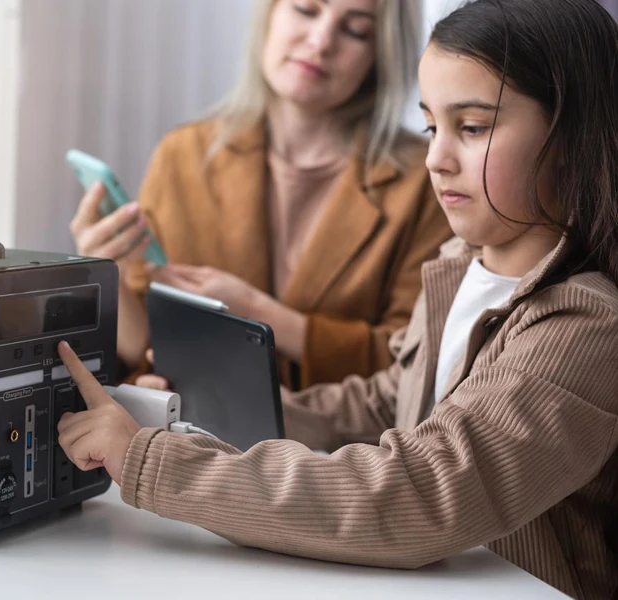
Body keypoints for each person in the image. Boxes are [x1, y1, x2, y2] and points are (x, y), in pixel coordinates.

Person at [54, 1, 618, 597]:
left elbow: (419, 493)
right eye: (432, 127)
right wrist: (202, 406)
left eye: (472, 127)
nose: (436, 157)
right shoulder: (459, 269)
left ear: (572, 134)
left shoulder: (584, 325)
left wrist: (152, 462)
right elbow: (387, 406)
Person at [70, 0, 452, 389]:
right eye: (306, 9)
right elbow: (148, 348)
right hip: (200, 436)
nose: (320, 42)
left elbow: (415, 359)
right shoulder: (183, 156)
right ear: (269, 14)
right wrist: (106, 278)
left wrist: (258, 313)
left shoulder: (427, 180)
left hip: (344, 446)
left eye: (355, 30)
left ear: (381, 52)